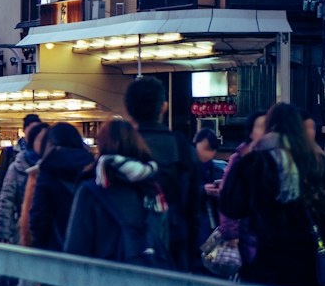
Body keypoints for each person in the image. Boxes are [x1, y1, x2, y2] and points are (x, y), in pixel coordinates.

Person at [221, 102, 325, 286]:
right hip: (307, 257)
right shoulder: (317, 163)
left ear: (271, 126)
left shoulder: (254, 162)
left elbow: (231, 205)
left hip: (263, 255)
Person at [63, 120, 172, 269]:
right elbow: (163, 239)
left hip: (102, 281)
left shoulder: (91, 190)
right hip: (148, 279)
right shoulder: (154, 189)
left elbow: (76, 249)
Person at [124, 77, 200, 271]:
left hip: (125, 245)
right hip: (173, 244)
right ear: (163, 107)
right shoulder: (181, 147)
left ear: (128, 110)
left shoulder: (120, 147)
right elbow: (193, 207)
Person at [24, 123, 93, 252]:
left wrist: (39, 244)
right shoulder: (92, 168)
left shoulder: (47, 170)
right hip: (88, 249)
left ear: (50, 144)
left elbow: (38, 217)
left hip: (54, 248)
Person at [215, 112, 265, 267]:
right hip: (245, 233)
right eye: (260, 127)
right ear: (250, 131)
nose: (265, 132)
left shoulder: (276, 158)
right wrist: (231, 233)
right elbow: (227, 198)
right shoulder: (239, 159)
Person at [0, 118, 42, 244]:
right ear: (24, 130)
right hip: (16, 219)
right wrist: (2, 230)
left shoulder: (48, 162)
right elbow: (1, 185)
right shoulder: (11, 154)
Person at [193, 129, 222, 245]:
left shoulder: (217, 169)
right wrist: (202, 190)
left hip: (214, 221)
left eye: (211, 150)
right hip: (195, 219)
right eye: (205, 148)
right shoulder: (187, 168)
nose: (208, 153)